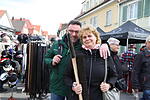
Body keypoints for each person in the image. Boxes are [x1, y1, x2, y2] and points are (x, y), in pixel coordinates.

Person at [44, 20, 110, 100]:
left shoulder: (83, 45)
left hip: (76, 88)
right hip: (58, 86)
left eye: (76, 32)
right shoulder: (57, 44)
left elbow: (94, 43)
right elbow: (46, 59)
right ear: (67, 30)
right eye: (71, 31)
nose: (74, 34)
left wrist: (104, 45)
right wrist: (52, 61)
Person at [64, 26, 117, 100]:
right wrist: (73, 86)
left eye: (89, 36)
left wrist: (109, 85)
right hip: (79, 97)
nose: (87, 39)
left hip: (99, 97)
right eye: (84, 37)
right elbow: (67, 76)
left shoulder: (104, 54)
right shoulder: (76, 55)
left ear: (96, 37)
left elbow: (114, 76)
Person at [132, 35, 150, 100]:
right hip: (145, 85)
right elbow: (135, 71)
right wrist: (135, 86)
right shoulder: (140, 55)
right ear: (146, 43)